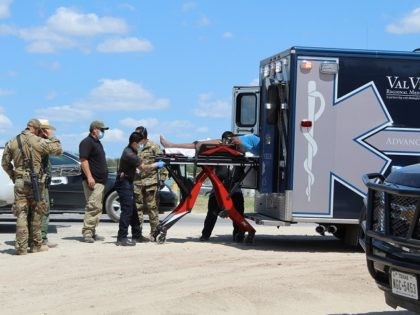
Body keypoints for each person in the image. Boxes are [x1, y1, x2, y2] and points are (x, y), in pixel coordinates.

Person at [1, 118, 62, 255]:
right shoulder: (37, 141)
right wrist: (51, 136)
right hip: (36, 182)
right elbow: (58, 150)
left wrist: (15, 176)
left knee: (21, 213)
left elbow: (4, 163)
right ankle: (36, 245)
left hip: (20, 182)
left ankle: (21, 248)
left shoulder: (12, 141)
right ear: (37, 129)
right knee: (37, 213)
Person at [115, 132, 165, 246]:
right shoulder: (129, 154)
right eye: (140, 143)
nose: (141, 145)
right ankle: (121, 238)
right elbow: (143, 168)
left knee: (133, 210)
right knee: (127, 210)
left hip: (128, 182)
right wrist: (156, 165)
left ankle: (137, 235)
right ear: (134, 143)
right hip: (123, 183)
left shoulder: (132, 150)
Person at [133, 126, 168, 242]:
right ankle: (138, 233)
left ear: (143, 135)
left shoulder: (153, 146)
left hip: (151, 182)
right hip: (137, 182)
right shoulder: (135, 147)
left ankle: (154, 233)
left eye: (138, 134)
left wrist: (162, 178)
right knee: (138, 209)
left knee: (152, 208)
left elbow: (162, 162)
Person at [79, 120, 109, 243]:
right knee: (93, 206)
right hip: (93, 181)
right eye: (102, 130)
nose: (103, 132)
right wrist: (90, 177)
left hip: (100, 181)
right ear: (94, 129)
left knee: (97, 207)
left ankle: (92, 231)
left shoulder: (97, 143)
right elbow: (84, 160)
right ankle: (87, 232)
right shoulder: (87, 142)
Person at [200, 165, 245, 243]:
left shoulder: (240, 160)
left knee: (239, 213)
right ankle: (205, 235)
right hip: (218, 189)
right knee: (212, 213)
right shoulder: (219, 157)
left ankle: (238, 234)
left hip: (235, 189)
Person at [159, 131, 260, 155]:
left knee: (199, 145)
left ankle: (171, 145)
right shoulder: (252, 139)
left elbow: (246, 149)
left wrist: (236, 142)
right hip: (233, 141)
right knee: (199, 144)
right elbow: (247, 149)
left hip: (233, 142)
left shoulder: (241, 140)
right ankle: (171, 145)